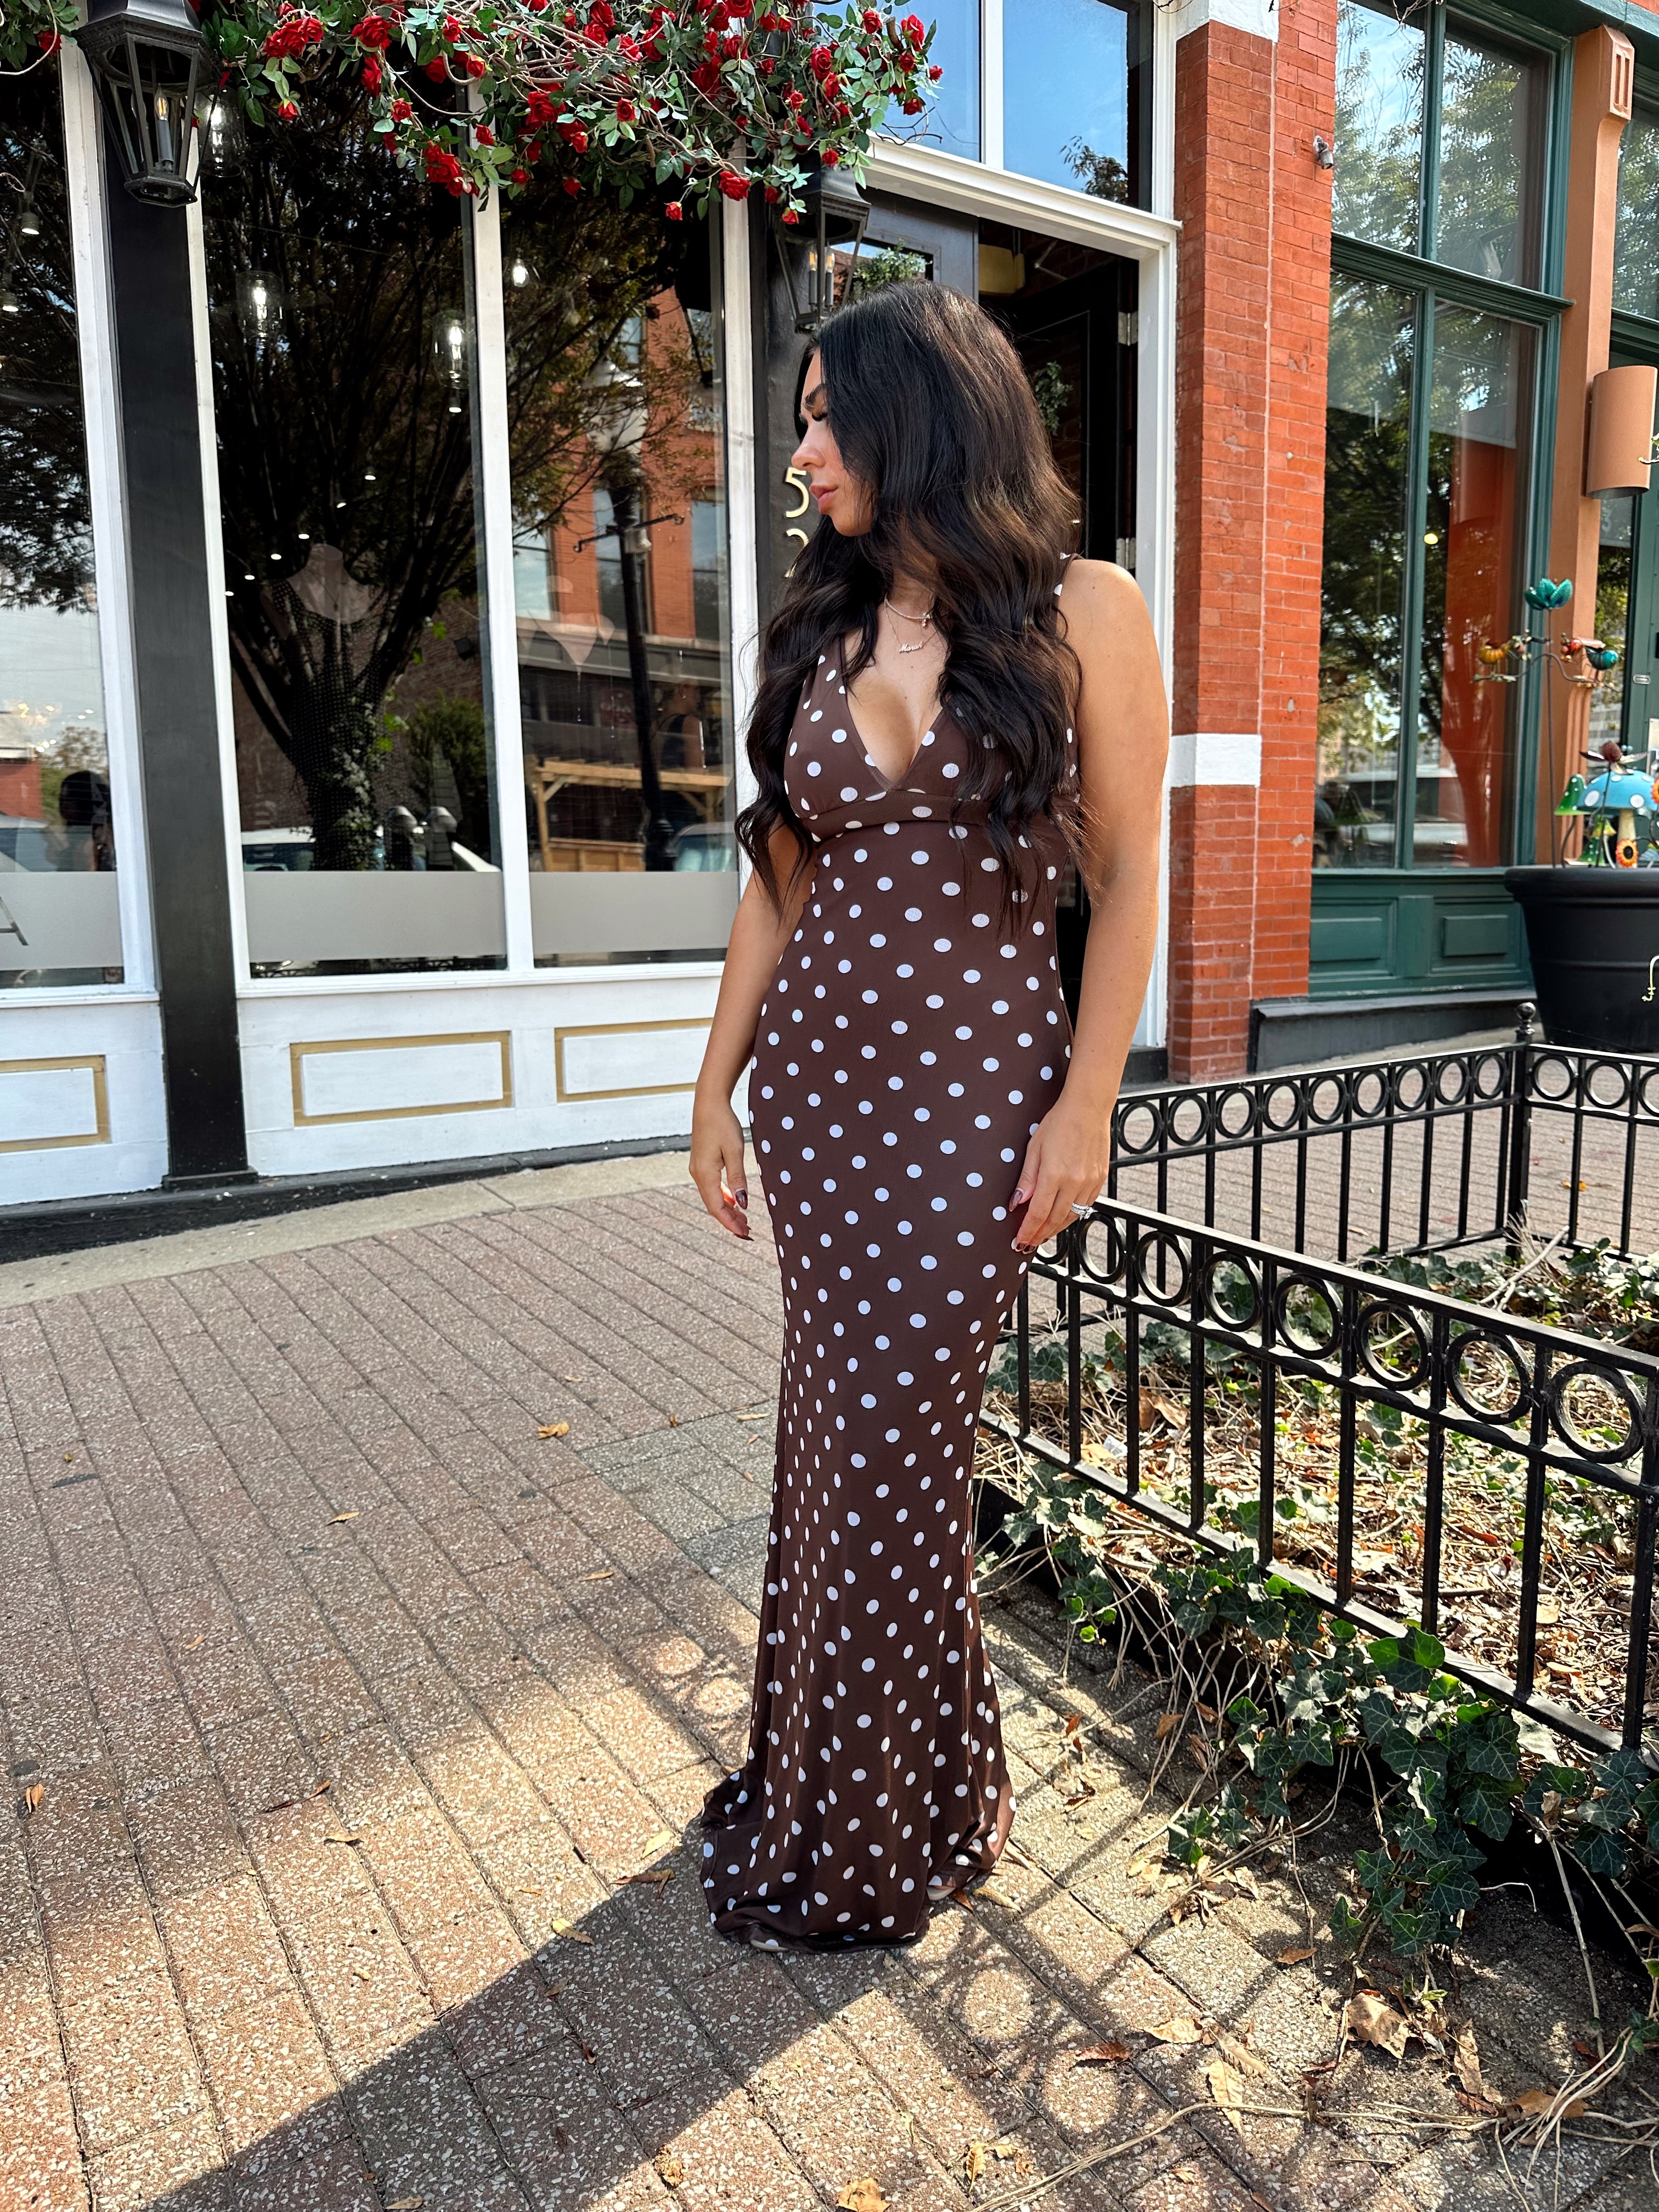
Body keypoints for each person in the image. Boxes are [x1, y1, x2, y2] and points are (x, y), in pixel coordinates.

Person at [689, 280, 1167, 1948]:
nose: (803, 449)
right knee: (839, 1454)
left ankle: (879, 1830)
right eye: (801, 417)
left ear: (923, 420)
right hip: (821, 1102)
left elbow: (1124, 878)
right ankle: (895, 1787)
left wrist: (1088, 1102)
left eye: (828, 415)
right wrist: (714, 1086)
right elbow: (779, 880)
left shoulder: (1087, 608)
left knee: (897, 1454)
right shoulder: (821, 633)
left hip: (976, 1105)